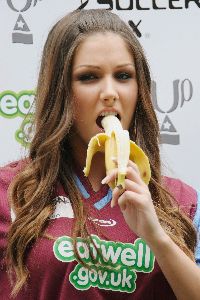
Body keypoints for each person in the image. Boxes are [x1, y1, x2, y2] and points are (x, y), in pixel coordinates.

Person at [0, 8, 200, 300]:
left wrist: (157, 237)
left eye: (123, 75)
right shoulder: (10, 191)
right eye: (89, 77)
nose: (110, 92)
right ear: (61, 91)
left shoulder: (182, 202)